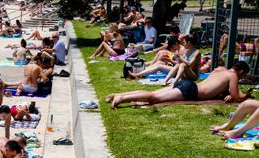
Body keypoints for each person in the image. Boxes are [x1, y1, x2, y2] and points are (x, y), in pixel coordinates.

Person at [107, 61, 252, 109]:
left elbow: (219, 87)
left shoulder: (220, 69)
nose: (241, 77)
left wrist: (225, 93)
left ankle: (120, 95)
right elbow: (237, 97)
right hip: (191, 90)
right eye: (243, 75)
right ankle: (121, 99)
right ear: (240, 71)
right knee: (153, 97)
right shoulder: (233, 75)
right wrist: (247, 95)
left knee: (154, 94)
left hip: (188, 84)